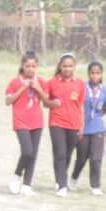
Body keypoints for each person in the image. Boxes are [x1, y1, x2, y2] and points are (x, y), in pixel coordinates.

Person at [4, 51, 49, 195]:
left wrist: (38, 88)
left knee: (33, 154)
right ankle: (16, 176)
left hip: (37, 121)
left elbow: (47, 102)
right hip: (21, 121)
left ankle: (27, 185)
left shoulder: (41, 81)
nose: (30, 69)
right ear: (22, 66)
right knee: (27, 151)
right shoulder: (15, 82)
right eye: (27, 66)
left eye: (33, 66)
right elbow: (8, 101)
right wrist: (23, 87)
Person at [45, 53, 86, 197]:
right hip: (56, 123)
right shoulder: (52, 83)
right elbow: (45, 103)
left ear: (74, 67)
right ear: (60, 66)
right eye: (65, 66)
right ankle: (62, 186)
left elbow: (81, 106)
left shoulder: (80, 84)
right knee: (60, 154)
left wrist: (82, 126)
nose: (67, 69)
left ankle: (59, 178)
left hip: (74, 124)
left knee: (67, 154)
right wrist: (51, 103)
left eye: (70, 66)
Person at [71, 61, 106, 196]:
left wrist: (98, 116)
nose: (95, 76)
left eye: (98, 73)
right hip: (82, 126)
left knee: (96, 157)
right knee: (82, 157)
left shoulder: (105, 90)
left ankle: (95, 185)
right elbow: (75, 104)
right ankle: (74, 177)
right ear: (88, 74)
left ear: (101, 74)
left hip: (98, 127)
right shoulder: (82, 87)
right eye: (92, 73)